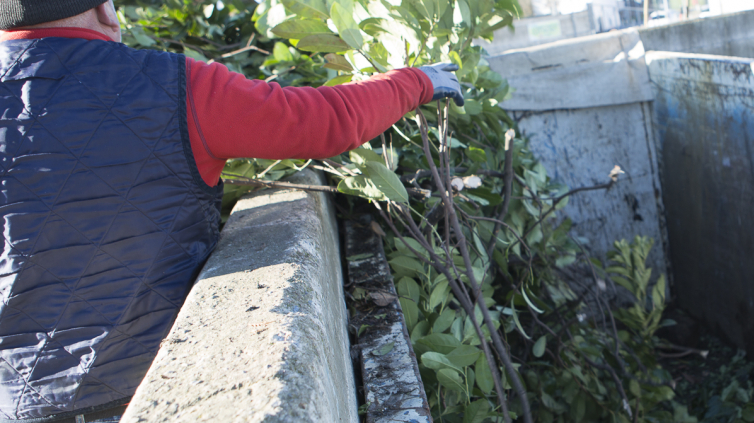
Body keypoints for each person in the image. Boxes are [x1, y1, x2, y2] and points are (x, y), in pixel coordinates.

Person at [0, 1, 463, 421]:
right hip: (150, 391)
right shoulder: (174, 84)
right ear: (106, 11)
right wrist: (417, 81)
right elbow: (323, 121)